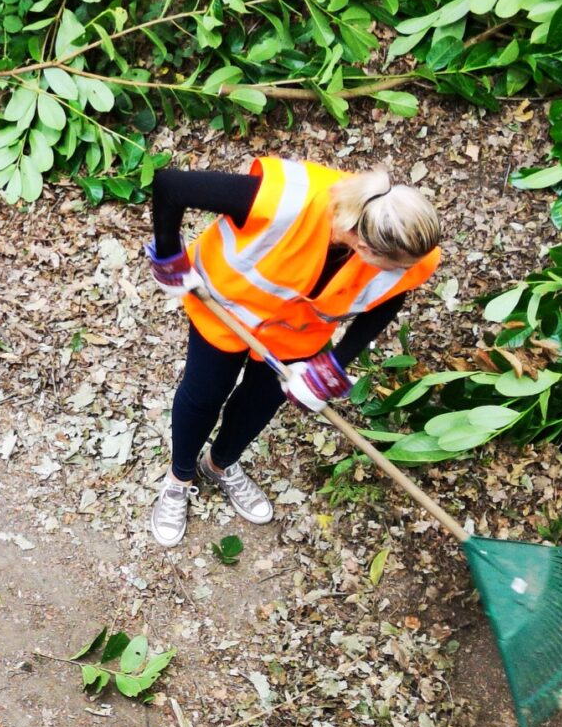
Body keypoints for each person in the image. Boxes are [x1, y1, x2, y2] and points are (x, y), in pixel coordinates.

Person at [140, 159, 443, 547]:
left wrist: (332, 364)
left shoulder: (411, 248)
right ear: (362, 245)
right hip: (226, 308)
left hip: (297, 332)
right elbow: (171, 185)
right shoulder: (285, 200)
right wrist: (169, 256)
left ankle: (219, 465)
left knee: (260, 403)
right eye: (386, 266)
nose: (399, 272)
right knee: (204, 395)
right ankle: (179, 478)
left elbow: (390, 296)